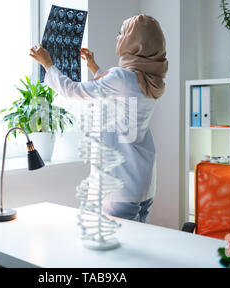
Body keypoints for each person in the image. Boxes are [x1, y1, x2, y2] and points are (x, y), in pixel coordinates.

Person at [29, 14, 168, 223]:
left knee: (116, 250)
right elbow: (117, 98)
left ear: (136, 42)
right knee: (138, 246)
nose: (117, 36)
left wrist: (48, 64)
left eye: (122, 33)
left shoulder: (123, 78)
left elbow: (74, 90)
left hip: (119, 186)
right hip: (144, 183)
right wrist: (94, 68)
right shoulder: (149, 81)